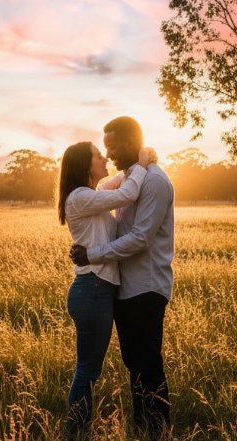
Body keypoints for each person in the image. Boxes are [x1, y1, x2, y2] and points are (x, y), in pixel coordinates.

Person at [70, 116, 175, 438]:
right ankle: (143, 426)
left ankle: (157, 429)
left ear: (132, 143)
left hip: (146, 285)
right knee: (134, 362)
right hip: (124, 288)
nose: (109, 153)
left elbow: (141, 238)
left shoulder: (154, 181)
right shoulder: (132, 178)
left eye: (113, 146)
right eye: (104, 149)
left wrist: (93, 254)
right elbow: (111, 192)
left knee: (147, 362)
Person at [58, 140, 154, 437]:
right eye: (98, 156)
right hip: (92, 289)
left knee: (89, 370)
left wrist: (134, 166)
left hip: (97, 290)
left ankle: (77, 430)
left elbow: (119, 181)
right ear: (86, 165)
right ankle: (75, 431)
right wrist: (141, 164)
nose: (105, 158)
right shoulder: (80, 197)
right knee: (88, 370)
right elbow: (128, 192)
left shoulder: (91, 194)